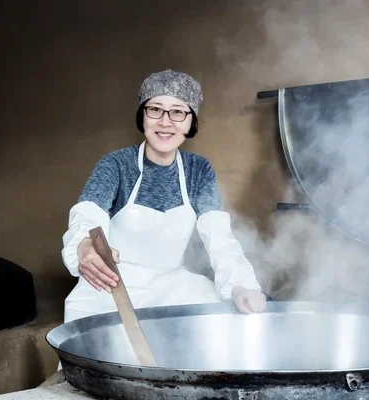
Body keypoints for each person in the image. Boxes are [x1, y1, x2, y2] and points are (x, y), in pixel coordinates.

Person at [61, 69, 266, 323]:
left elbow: (219, 236)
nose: (165, 122)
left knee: (225, 318)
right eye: (155, 109)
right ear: (143, 116)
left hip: (173, 287)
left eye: (178, 112)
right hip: (110, 286)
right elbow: (88, 213)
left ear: (191, 121)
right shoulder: (116, 165)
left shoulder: (198, 170)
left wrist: (240, 285)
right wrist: (85, 247)